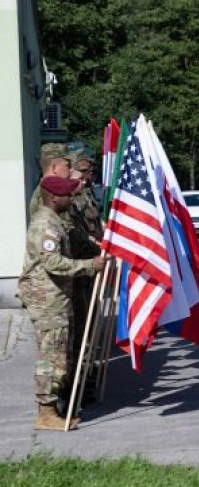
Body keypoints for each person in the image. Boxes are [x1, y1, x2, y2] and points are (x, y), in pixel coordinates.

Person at [18, 176, 108, 430]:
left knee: (61, 353)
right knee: (52, 356)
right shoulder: (45, 224)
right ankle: (46, 413)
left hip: (57, 298)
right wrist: (89, 266)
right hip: (47, 300)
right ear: (54, 197)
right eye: (68, 195)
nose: (72, 198)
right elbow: (52, 263)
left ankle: (54, 407)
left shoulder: (55, 221)